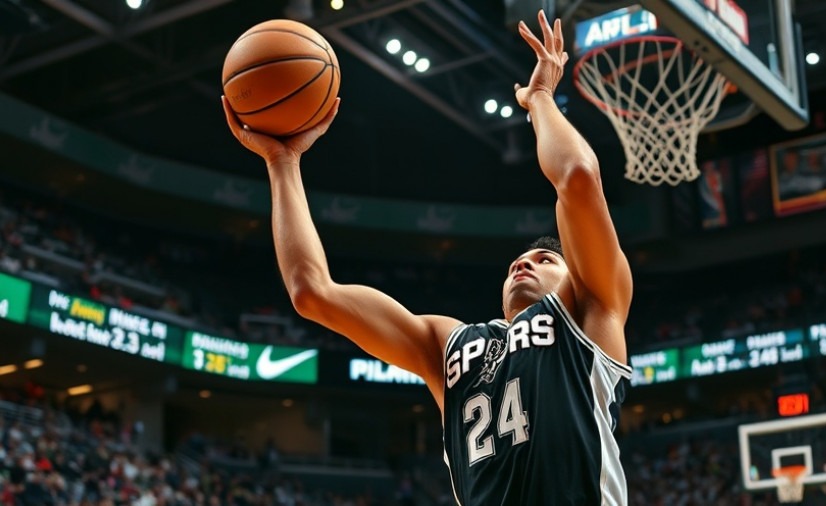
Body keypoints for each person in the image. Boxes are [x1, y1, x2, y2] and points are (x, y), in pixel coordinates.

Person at [222, 10, 632, 505]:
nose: (522, 264)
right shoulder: (450, 344)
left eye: (546, 261)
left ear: (577, 277)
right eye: (516, 263)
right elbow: (313, 292)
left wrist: (540, 97)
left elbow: (578, 179)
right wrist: (283, 162)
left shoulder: (589, 313)